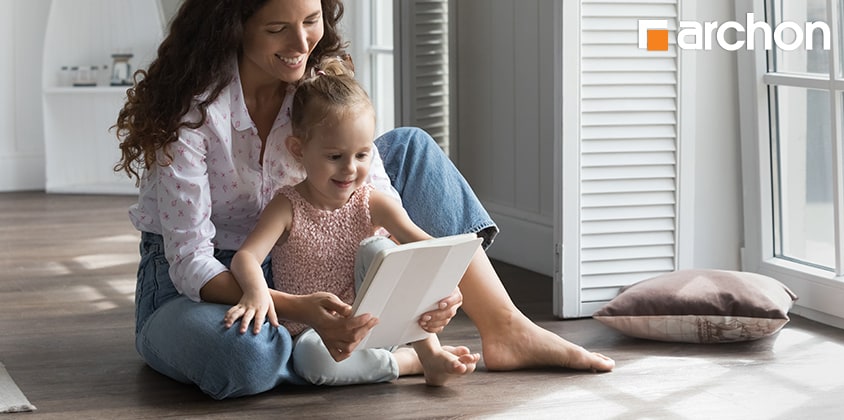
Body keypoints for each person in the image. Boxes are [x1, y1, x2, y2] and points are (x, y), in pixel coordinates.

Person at [114, 0, 614, 400]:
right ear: (235, 27)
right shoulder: (194, 115)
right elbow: (190, 262)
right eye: (277, 29)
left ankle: (505, 329)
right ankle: (373, 356)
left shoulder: (316, 82)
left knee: (411, 147)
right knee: (243, 361)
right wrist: (300, 309)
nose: (300, 43)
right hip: (208, 281)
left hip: (308, 256)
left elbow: (375, 197)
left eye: (310, 21)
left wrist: (431, 284)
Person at [225, 57, 480, 386]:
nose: (350, 169)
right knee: (311, 363)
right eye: (335, 156)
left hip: (378, 324)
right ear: (298, 149)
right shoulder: (286, 205)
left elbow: (425, 245)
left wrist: (447, 284)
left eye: (362, 155)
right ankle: (407, 363)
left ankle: (428, 351)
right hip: (318, 336)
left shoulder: (372, 201)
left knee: (381, 248)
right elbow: (246, 257)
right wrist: (256, 290)